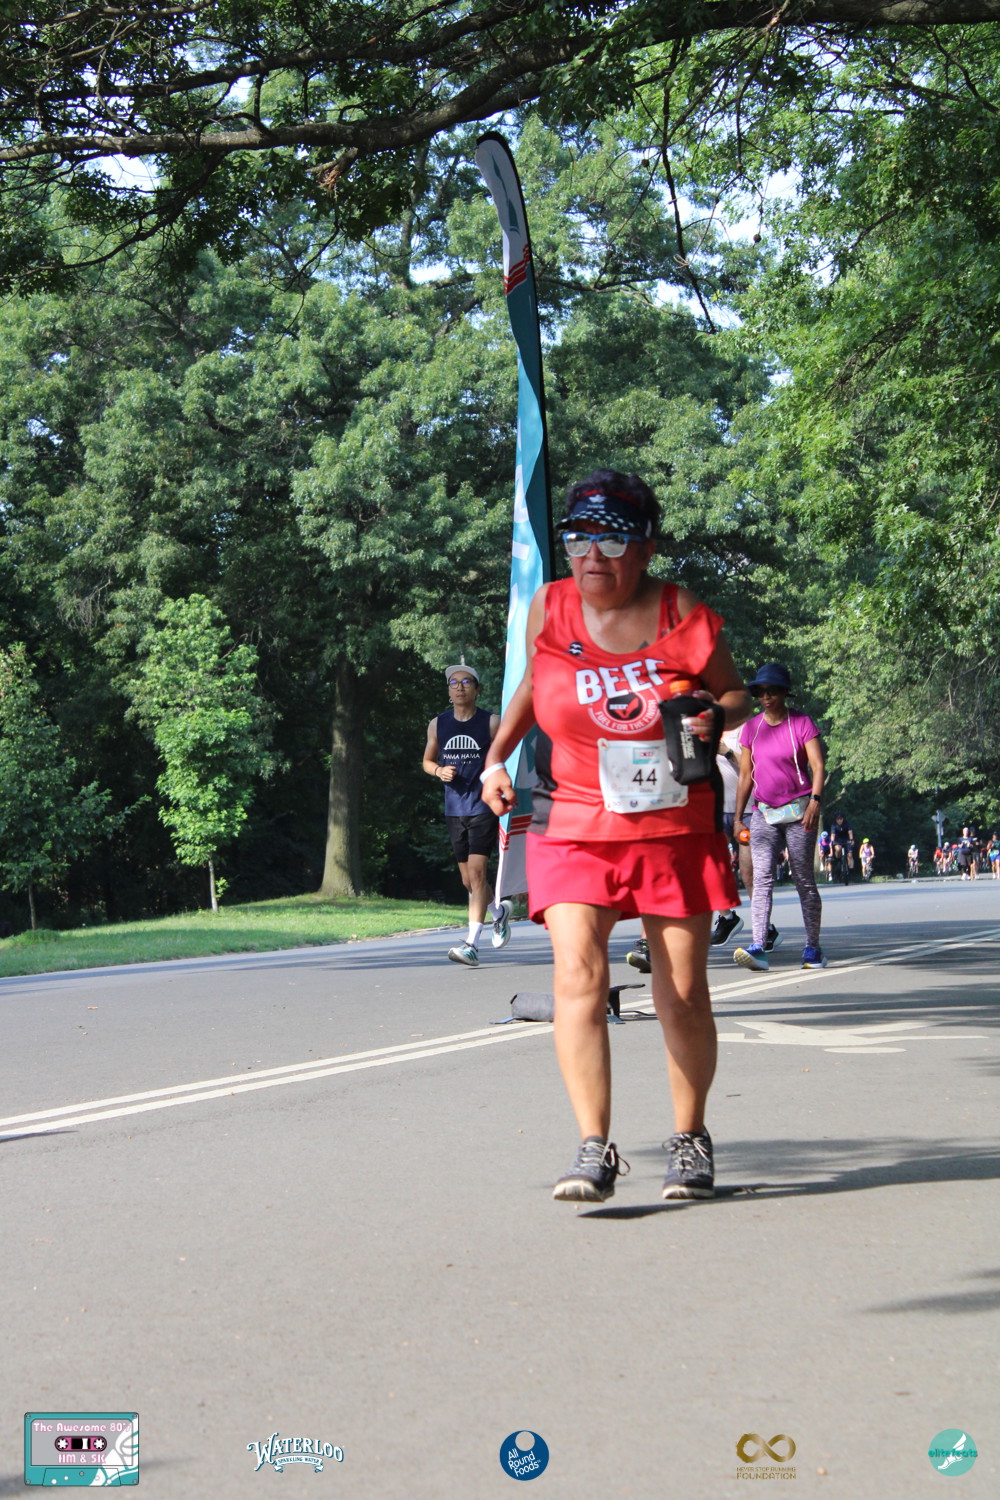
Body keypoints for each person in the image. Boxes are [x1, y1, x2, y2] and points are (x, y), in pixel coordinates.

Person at [480, 469, 752, 1203]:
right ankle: (593, 1146)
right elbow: (535, 685)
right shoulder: (550, 606)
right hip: (573, 818)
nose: (591, 555)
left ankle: (690, 1139)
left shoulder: (680, 613)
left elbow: (734, 694)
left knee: (682, 990)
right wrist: (497, 757)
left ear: (646, 547)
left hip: (671, 824)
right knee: (578, 976)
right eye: (578, 539)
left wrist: (714, 714)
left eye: (611, 539)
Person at [732, 663, 827, 972]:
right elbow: (745, 775)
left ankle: (812, 948)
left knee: (803, 879)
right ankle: (758, 946)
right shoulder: (752, 728)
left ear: (785, 692)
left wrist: (815, 801)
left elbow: (817, 765)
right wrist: (738, 817)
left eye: (772, 691)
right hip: (763, 813)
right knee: (761, 879)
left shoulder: (801, 722)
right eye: (760, 692)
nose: (766, 697)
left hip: (800, 812)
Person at [422, 662, 512, 966]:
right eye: (454, 683)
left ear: (477, 689)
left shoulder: (491, 722)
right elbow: (426, 761)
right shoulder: (438, 724)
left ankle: (471, 944)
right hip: (454, 808)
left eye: (466, 682)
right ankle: (498, 912)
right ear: (449, 691)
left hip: (483, 805)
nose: (459, 687)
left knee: (477, 874)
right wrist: (438, 771)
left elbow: (507, 754)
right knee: (468, 880)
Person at [829, 811, 855, 883]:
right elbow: (833, 835)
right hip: (837, 840)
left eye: (840, 819)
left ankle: (851, 873)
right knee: (838, 849)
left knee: (850, 855)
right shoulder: (834, 825)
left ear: (843, 819)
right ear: (836, 819)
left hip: (846, 839)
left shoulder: (847, 824)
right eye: (838, 819)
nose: (839, 820)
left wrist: (851, 839)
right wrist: (832, 842)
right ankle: (838, 859)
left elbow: (850, 832)